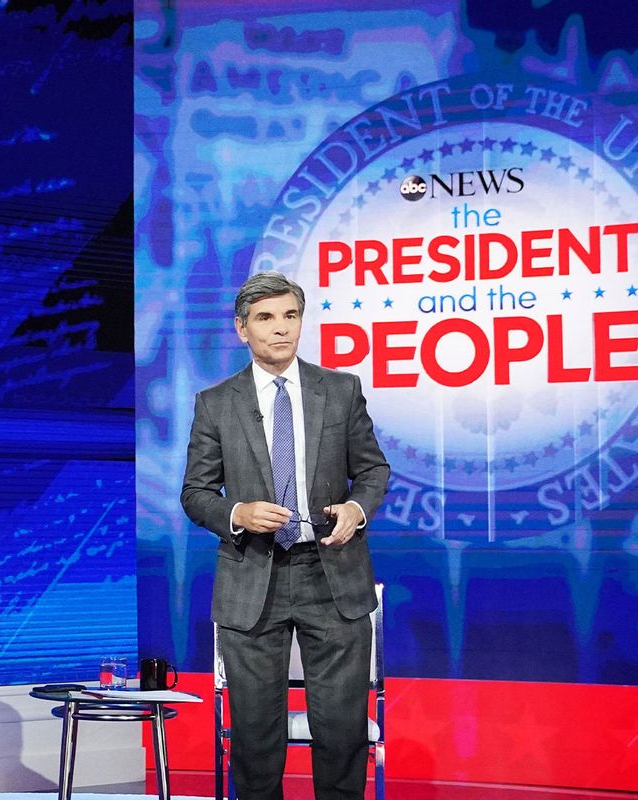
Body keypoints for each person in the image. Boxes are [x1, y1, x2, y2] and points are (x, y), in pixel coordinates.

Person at [181, 271, 389, 800]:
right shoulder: (216, 403)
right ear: (241, 329)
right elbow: (196, 493)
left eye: (290, 316)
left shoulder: (340, 390)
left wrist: (356, 509)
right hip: (253, 579)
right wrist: (239, 513)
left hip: (332, 577)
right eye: (266, 319)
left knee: (342, 735)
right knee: (254, 740)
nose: (281, 330)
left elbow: (372, 471)